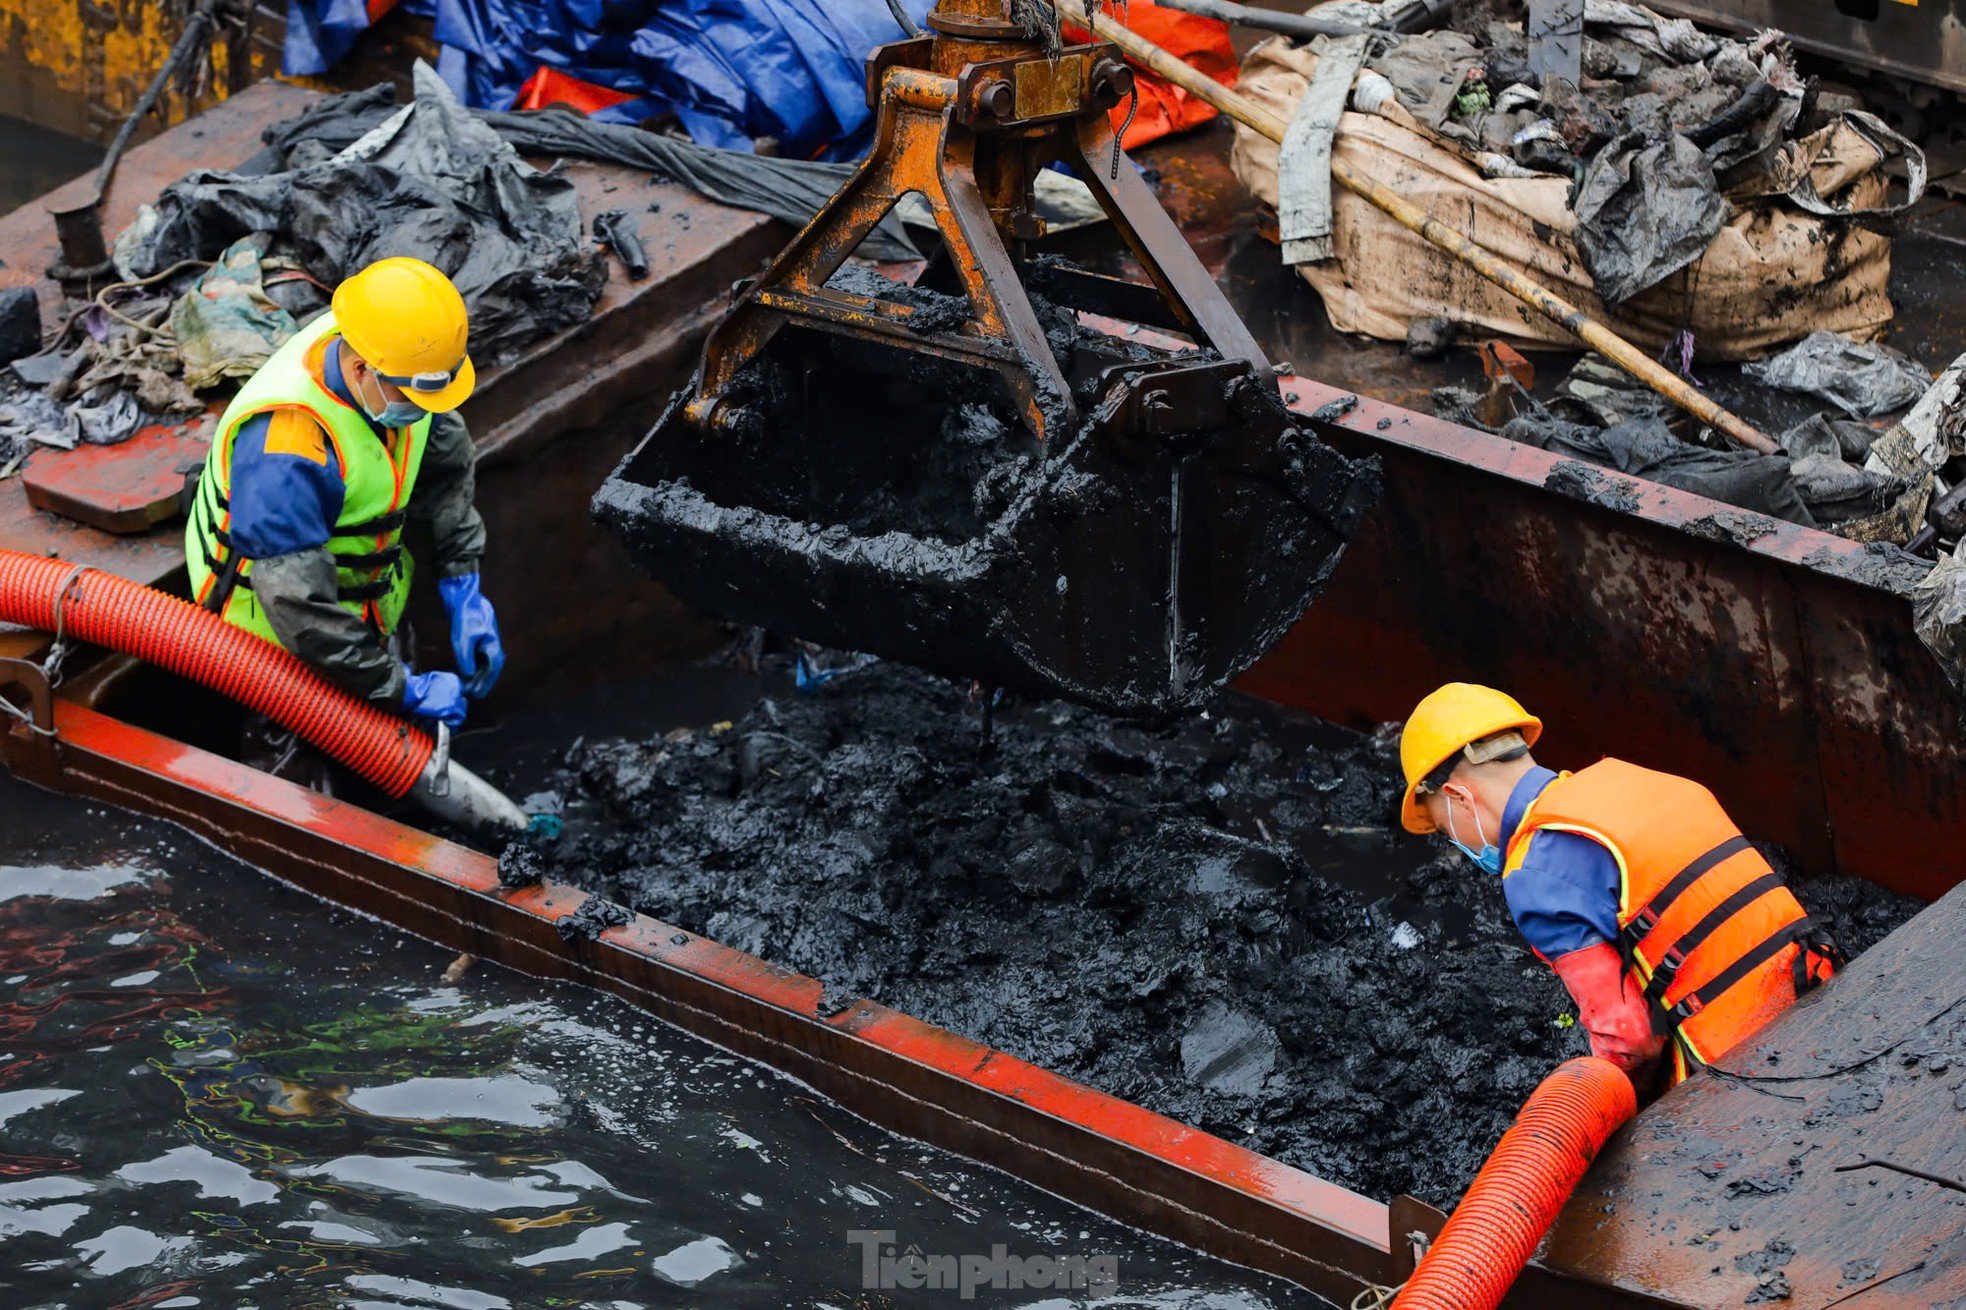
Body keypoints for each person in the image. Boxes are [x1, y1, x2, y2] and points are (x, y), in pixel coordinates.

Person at [1397, 683, 1840, 1091]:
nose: (1458, 842)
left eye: (1445, 828)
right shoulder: (1632, 781)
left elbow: (1629, 1040)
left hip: (1746, 1068)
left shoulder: (1535, 872)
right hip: (1824, 996)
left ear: (1458, 797)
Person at [185, 258, 504, 735]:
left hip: (359, 607)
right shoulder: (288, 455)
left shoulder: (402, 356)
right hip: (274, 651)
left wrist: (463, 584)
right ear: (361, 369)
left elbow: (444, 473)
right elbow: (301, 611)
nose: (426, 412)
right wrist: (401, 689)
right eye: (418, 398)